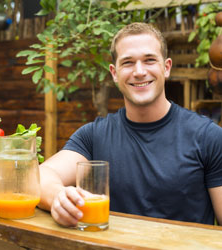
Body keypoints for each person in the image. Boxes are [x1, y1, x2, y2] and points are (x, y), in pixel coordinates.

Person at [38, 22, 222, 227]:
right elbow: (41, 176)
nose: (139, 71)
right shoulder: (93, 136)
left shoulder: (208, 137)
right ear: (114, 73)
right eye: (128, 62)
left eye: (149, 60)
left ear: (166, 67)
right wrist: (58, 197)